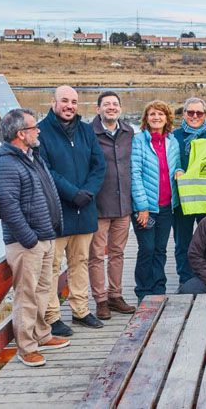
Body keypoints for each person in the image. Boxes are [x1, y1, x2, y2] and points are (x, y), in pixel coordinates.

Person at [0, 109, 70, 367]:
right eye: (34, 127)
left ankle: (42, 334)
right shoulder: (5, 163)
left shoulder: (32, 156)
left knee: (43, 290)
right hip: (26, 243)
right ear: (21, 134)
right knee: (26, 295)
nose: (38, 131)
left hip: (45, 237)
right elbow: (9, 207)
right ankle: (26, 348)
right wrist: (30, 239)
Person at [38, 86, 106, 335]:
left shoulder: (86, 130)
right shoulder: (41, 132)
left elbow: (99, 165)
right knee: (53, 266)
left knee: (80, 262)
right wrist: (72, 193)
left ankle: (80, 311)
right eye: (64, 101)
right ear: (53, 102)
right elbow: (45, 170)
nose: (69, 106)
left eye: (74, 102)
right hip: (58, 212)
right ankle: (52, 316)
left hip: (85, 208)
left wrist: (87, 192)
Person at [89, 91, 137, 321]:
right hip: (98, 204)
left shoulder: (129, 132)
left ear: (120, 108)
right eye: (106, 104)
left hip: (123, 204)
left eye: (115, 104)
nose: (111, 107)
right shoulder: (88, 133)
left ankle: (115, 295)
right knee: (97, 255)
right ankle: (100, 300)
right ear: (98, 108)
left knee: (117, 253)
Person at [131, 100, 183, 301]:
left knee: (160, 250)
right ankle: (144, 291)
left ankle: (159, 289)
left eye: (160, 114)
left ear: (167, 118)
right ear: (146, 118)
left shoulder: (172, 141)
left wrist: (179, 171)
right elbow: (135, 173)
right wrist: (142, 207)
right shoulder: (139, 141)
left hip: (167, 206)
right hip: (146, 207)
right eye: (152, 114)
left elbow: (177, 165)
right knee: (147, 249)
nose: (156, 117)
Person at [172, 97, 206, 285]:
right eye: (190, 112)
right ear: (184, 114)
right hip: (182, 199)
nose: (194, 116)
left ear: (205, 115)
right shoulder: (174, 136)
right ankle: (185, 279)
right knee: (182, 241)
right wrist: (177, 170)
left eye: (199, 113)